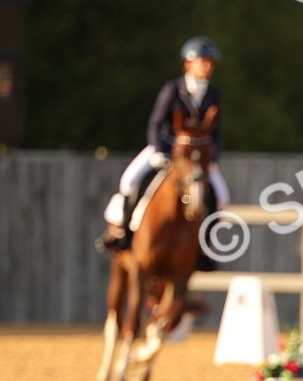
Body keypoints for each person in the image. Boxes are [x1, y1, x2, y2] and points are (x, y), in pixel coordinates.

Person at [97, 36, 230, 264]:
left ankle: (205, 247)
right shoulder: (173, 89)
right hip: (166, 148)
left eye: (210, 62)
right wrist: (160, 151)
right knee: (129, 180)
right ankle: (120, 231)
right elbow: (156, 123)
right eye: (202, 61)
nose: (207, 66)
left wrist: (213, 154)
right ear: (188, 64)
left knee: (222, 197)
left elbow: (215, 131)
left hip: (197, 157)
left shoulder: (213, 94)